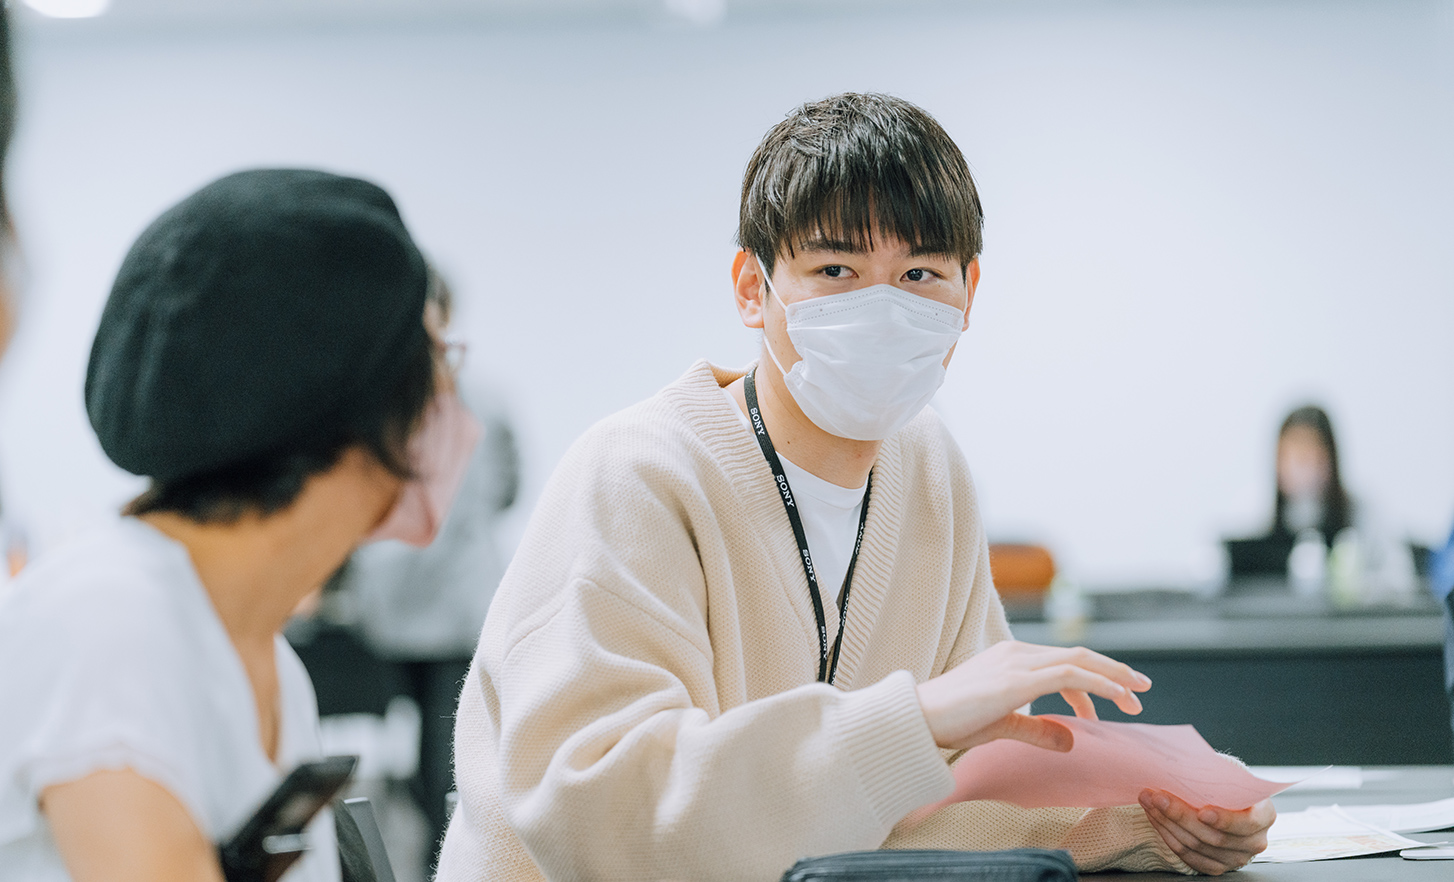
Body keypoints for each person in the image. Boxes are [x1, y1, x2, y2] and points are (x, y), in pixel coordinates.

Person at [436, 93, 1273, 881]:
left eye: (919, 277)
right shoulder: (636, 478)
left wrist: (1148, 822)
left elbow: (933, 798)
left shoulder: (929, 469)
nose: (881, 310)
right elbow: (605, 819)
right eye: (835, 271)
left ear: (969, 293)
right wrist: (919, 720)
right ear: (752, 291)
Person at [0, 169, 479, 881]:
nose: (452, 399)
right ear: (345, 408)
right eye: (438, 361)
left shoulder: (268, 664)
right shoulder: (109, 622)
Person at [325, 268, 519, 873]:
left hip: (436, 616)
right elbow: (507, 489)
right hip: (400, 614)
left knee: (443, 765)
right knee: (428, 766)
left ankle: (444, 866)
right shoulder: (386, 400)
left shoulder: (470, 402)